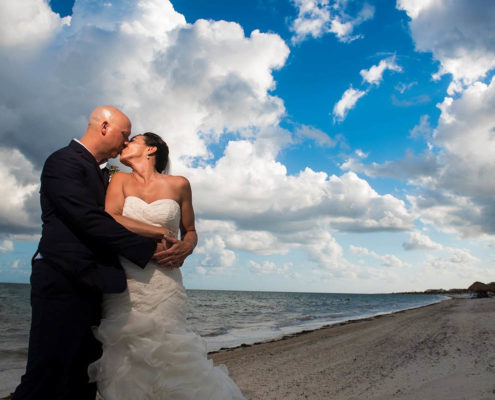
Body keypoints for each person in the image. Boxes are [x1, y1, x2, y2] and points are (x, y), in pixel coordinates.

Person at [11, 106, 177, 400]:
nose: (126, 143)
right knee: (46, 372)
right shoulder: (63, 161)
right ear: (104, 127)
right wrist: (149, 249)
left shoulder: (108, 176)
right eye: (124, 135)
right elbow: (88, 219)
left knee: (84, 375)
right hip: (63, 279)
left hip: (98, 283)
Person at [88, 132, 245, 399]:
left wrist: (189, 246)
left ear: (151, 149)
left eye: (133, 140)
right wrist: (158, 231)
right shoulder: (120, 180)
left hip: (166, 278)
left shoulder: (179, 184)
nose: (125, 144)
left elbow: (190, 229)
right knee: (127, 352)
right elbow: (111, 216)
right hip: (128, 279)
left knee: (170, 348)